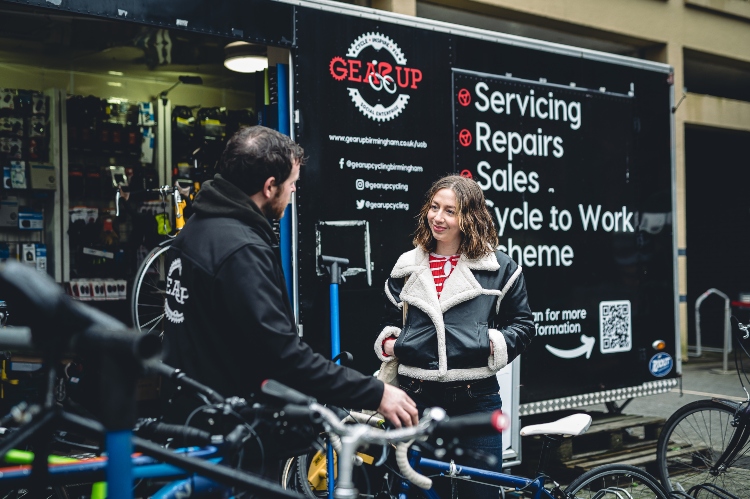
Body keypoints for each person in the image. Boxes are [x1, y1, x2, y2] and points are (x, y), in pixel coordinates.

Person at [162, 126, 418, 431]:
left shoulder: (197, 228)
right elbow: (282, 356)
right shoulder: (240, 250)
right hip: (229, 433)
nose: (294, 191)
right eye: (292, 183)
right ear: (270, 186)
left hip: (193, 416)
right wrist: (375, 392)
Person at [375, 174, 535, 497]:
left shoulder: (500, 268)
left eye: (450, 211)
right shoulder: (406, 265)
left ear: (470, 216)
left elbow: (524, 325)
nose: (438, 217)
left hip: (476, 398)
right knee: (421, 490)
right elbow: (390, 321)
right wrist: (393, 344)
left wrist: (490, 343)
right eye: (434, 207)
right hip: (415, 398)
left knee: (482, 491)